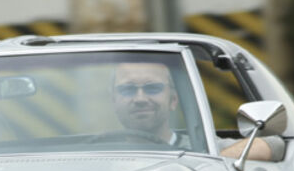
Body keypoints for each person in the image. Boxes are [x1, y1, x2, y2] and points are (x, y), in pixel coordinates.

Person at [112, 62, 283, 161]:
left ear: (173, 100)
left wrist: (209, 162)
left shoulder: (201, 146)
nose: (140, 98)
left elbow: (273, 144)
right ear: (114, 101)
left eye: (153, 88)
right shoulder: (95, 153)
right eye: (128, 89)